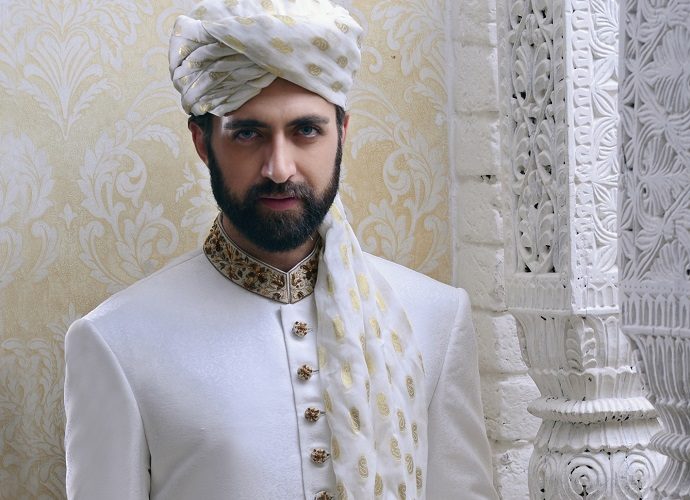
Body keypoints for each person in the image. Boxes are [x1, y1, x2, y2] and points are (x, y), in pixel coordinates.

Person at [63, 1, 498, 499]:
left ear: (342, 134)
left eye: (306, 130)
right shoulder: (116, 340)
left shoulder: (434, 317)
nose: (279, 168)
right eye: (248, 133)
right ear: (203, 143)